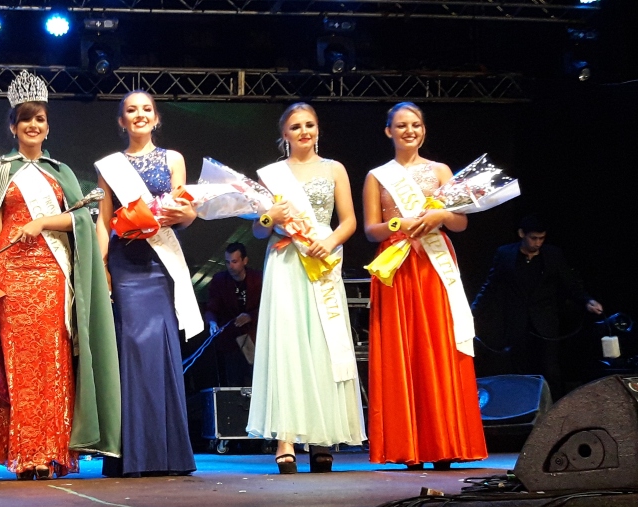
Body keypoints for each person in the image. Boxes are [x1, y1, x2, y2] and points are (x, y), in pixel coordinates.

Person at [0, 71, 121, 480]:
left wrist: (42, 222)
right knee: (16, 364)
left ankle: (51, 451)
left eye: (39, 118)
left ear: (47, 126)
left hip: (52, 276)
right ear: (13, 126)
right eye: (25, 118)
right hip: (10, 278)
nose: (33, 125)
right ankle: (25, 453)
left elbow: (79, 222)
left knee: (53, 362)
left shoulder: (60, 172)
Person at [361, 102, 487, 469]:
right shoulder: (377, 176)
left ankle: (443, 442)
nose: (409, 131)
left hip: (434, 266)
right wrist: (399, 225)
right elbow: (371, 230)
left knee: (438, 346)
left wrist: (440, 215)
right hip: (397, 265)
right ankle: (409, 446)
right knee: (403, 350)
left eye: (415, 125)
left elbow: (460, 222)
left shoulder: (441, 170)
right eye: (401, 126)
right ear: (389, 131)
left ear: (423, 130)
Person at [246, 103, 366, 474]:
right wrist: (269, 217)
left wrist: (328, 243)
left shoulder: (334, 169)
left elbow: (349, 221)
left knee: (322, 345)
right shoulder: (272, 176)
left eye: (309, 125)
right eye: (296, 126)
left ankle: (321, 438)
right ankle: (285, 439)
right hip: (285, 264)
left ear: (317, 130)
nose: (304, 132)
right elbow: (258, 230)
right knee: (288, 346)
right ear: (285, 134)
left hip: (322, 260)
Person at [94, 90, 202, 477]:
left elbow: (185, 213)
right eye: (131, 110)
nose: (139, 115)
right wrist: (102, 267)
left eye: (146, 109)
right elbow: (104, 219)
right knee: (132, 351)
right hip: (126, 265)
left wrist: (183, 214)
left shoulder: (173, 159)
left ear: (156, 118)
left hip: (160, 263)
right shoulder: (110, 166)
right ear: (121, 121)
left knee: (161, 349)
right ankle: (132, 455)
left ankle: (167, 453)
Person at [472, 214, 603, 398]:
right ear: (521, 234)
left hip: (545, 322)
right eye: (533, 238)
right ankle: (523, 406)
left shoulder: (552, 254)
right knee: (520, 368)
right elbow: (490, 286)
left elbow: (569, 281)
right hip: (517, 322)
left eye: (541, 238)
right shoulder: (505, 254)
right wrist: (473, 311)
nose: (538, 243)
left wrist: (587, 300)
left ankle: (556, 406)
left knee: (550, 368)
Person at [204, 242, 263, 387]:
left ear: (245, 261)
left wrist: (250, 316)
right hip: (231, 341)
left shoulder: (258, 279)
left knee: (258, 379)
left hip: (255, 338)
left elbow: (269, 306)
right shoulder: (220, 280)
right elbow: (211, 308)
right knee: (234, 382)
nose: (230, 266)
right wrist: (212, 323)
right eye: (227, 262)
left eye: (234, 261)